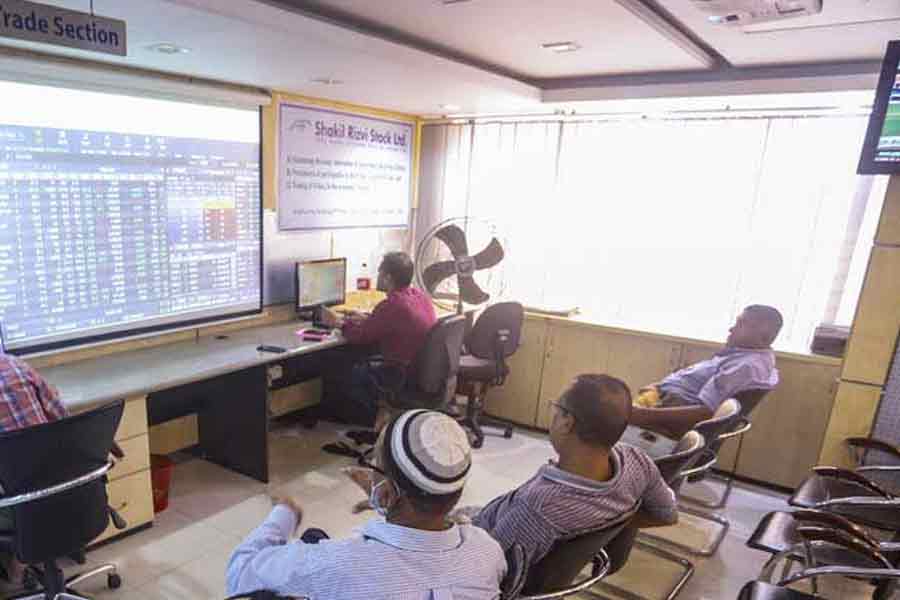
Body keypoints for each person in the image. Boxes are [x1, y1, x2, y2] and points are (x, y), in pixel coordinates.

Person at [225, 410, 506, 600]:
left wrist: (284, 513)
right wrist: (388, 503)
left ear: (388, 493)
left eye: (375, 465)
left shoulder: (335, 565)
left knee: (311, 540)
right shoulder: (487, 552)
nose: (371, 472)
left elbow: (240, 571)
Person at [464, 374, 678, 569]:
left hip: (477, 545)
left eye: (556, 408)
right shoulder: (637, 462)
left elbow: (481, 574)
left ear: (567, 422)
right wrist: (608, 523)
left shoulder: (536, 509)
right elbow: (667, 514)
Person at [319, 251, 437, 431]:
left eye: (380, 273)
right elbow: (391, 323)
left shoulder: (393, 305)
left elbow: (360, 336)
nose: (378, 277)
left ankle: (367, 419)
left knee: (340, 365)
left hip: (399, 374)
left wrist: (337, 323)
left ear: (388, 278)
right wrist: (367, 318)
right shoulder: (420, 297)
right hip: (420, 371)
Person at [629, 305, 783, 440]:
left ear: (764, 335)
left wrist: (640, 415)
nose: (731, 329)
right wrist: (659, 387)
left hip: (662, 421)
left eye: (741, 324)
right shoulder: (747, 357)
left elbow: (706, 413)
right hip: (660, 402)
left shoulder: (745, 367)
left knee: (613, 409)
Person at [0, 351, 68, 581]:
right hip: (66, 488)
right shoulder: (16, 365)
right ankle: (21, 560)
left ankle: (16, 567)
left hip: (19, 501)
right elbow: (63, 417)